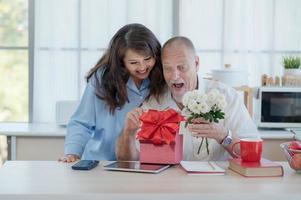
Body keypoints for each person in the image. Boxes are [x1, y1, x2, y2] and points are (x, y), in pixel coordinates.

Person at [116, 36, 259, 161]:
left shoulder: (227, 97)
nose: (174, 76)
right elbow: (128, 160)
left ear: (196, 64)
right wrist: (128, 134)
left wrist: (222, 135)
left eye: (182, 67)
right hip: (170, 187)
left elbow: (253, 154)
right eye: (168, 68)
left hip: (217, 188)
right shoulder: (154, 103)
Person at [59, 23, 166, 162]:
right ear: (121, 62)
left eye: (147, 59)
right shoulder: (102, 79)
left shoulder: (161, 78)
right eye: (134, 62)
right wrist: (73, 152)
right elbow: (81, 122)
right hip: (101, 163)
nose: (143, 67)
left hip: (144, 165)